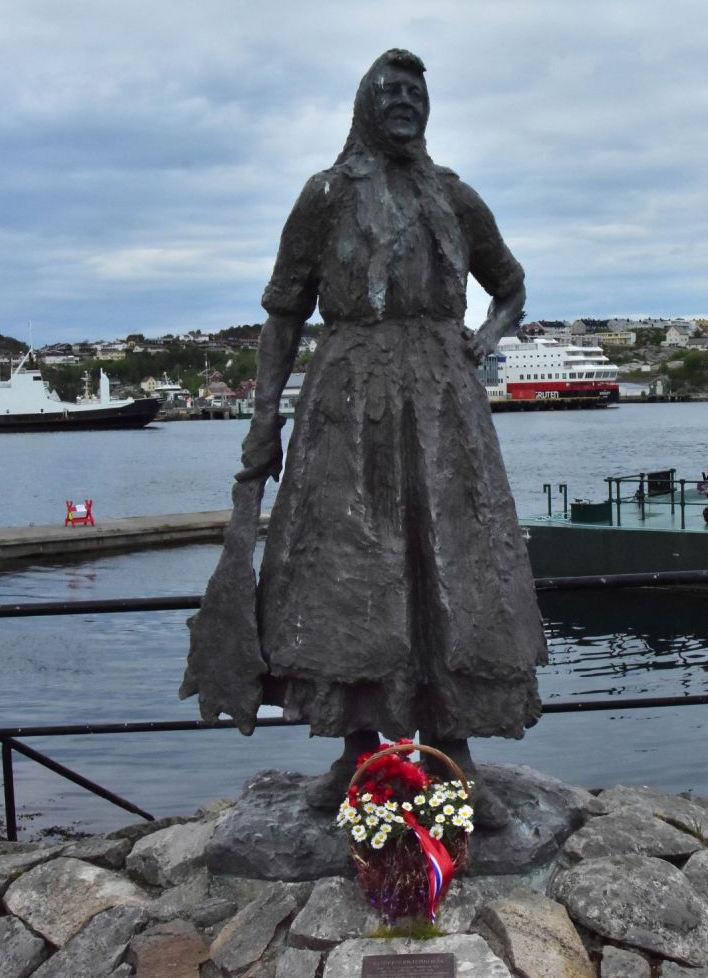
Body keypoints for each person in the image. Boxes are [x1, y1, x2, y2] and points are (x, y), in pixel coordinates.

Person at [188, 50, 546, 825]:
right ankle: (354, 752)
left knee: (453, 561)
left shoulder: (455, 198)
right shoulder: (324, 197)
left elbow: (511, 286)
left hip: (445, 407)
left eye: (415, 93)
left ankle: (455, 751)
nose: (404, 103)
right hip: (345, 401)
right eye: (389, 91)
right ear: (363, 104)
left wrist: (483, 342)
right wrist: (262, 424)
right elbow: (284, 314)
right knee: (341, 567)